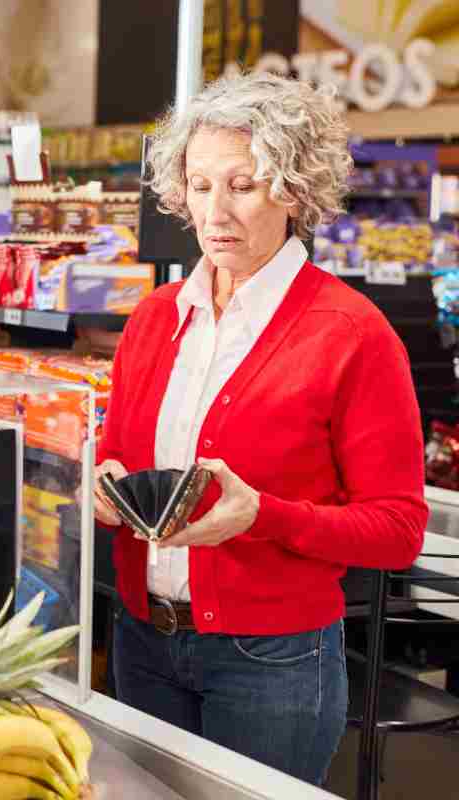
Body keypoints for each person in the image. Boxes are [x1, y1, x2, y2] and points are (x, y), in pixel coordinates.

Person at [94, 72, 427, 786]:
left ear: (295, 191)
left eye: (242, 186)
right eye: (199, 185)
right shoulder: (154, 319)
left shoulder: (352, 334)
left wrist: (264, 517)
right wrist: (103, 484)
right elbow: (117, 454)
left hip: (272, 663)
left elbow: (398, 529)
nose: (214, 211)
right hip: (142, 641)